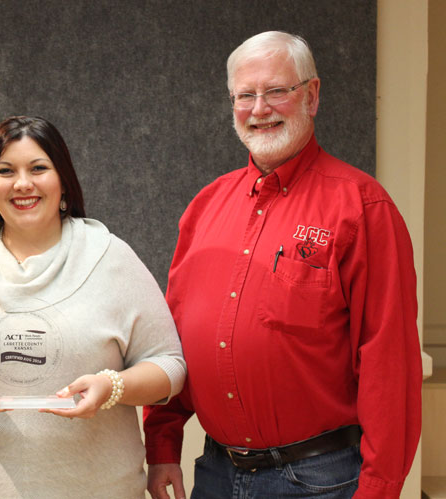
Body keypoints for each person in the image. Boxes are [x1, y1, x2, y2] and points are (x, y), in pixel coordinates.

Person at [144, 31, 422, 499]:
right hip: (216, 473)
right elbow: (171, 338)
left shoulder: (362, 207)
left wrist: (379, 489)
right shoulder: (205, 207)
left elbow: (388, 361)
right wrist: (163, 443)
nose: (259, 109)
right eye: (245, 95)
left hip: (321, 480)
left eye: (277, 91)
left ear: (311, 96)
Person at [0, 115, 186, 498]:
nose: (22, 183)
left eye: (39, 168)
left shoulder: (111, 258)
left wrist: (112, 386)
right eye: (6, 170)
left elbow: (169, 365)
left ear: (63, 182)